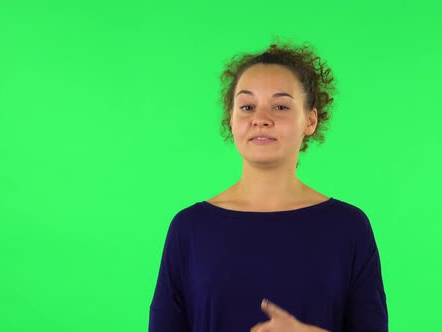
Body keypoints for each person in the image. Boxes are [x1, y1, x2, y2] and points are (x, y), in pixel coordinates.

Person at [149, 40, 388, 332]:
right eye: (247, 106)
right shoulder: (189, 229)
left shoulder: (349, 228)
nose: (261, 119)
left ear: (310, 120)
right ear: (231, 119)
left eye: (281, 106)